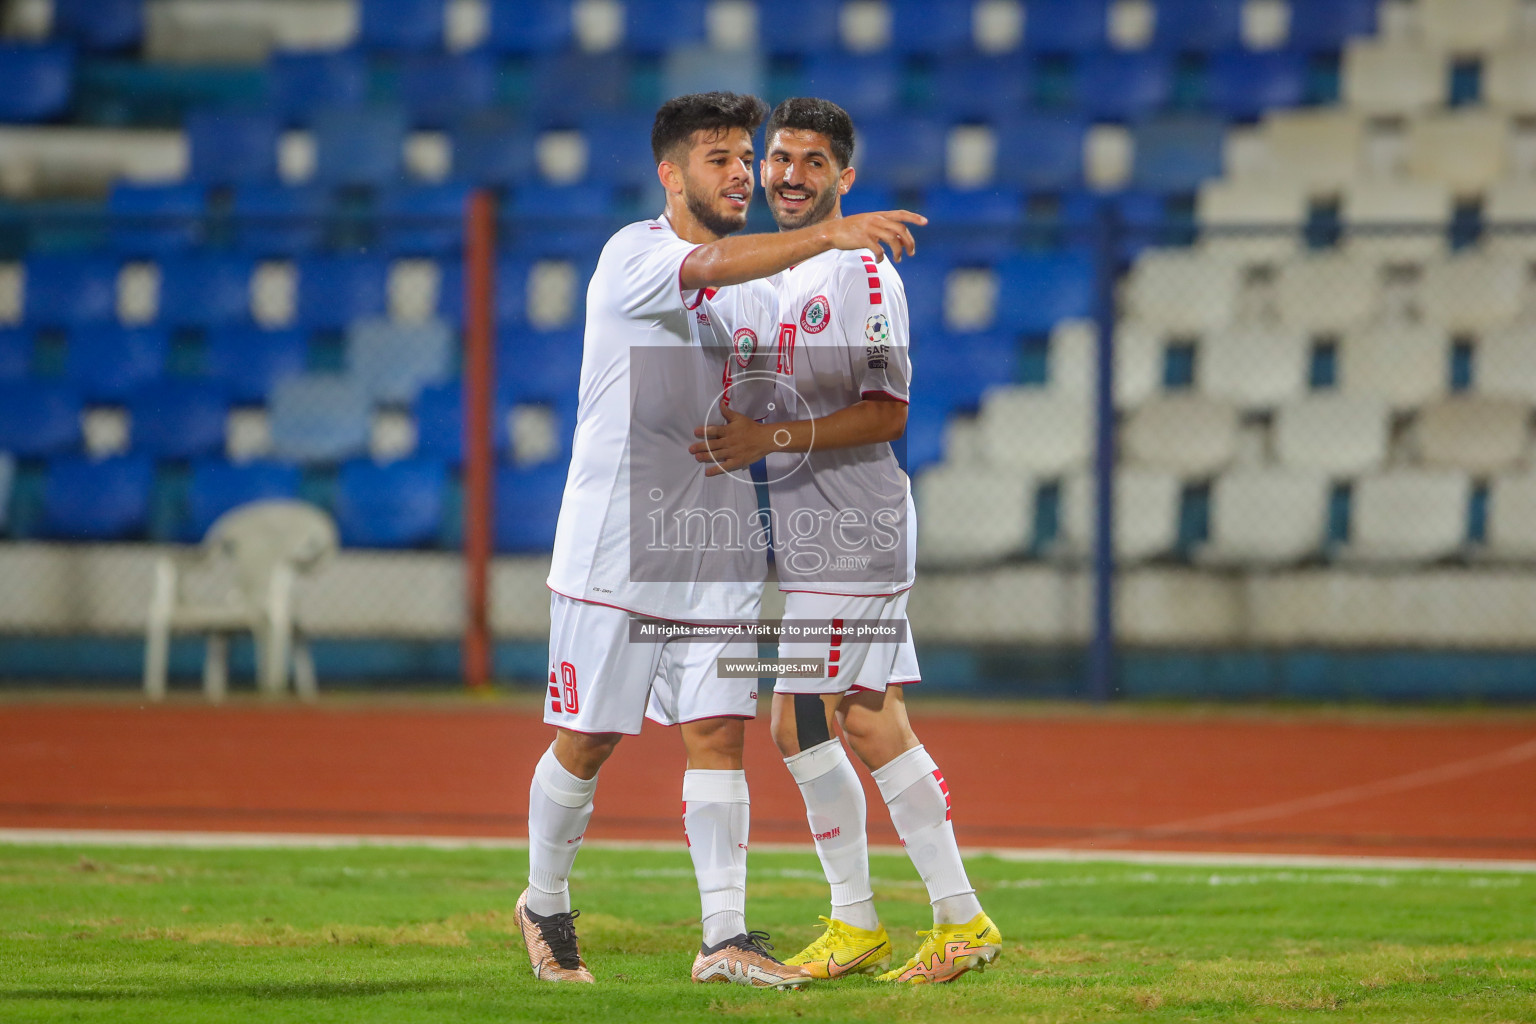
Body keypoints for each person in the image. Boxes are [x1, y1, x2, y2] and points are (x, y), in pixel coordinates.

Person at [518, 91, 927, 989]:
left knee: (718, 734)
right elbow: (711, 265)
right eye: (719, 157)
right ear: (671, 173)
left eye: (747, 156)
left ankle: (725, 936)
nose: (742, 172)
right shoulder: (636, 254)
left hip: (719, 541)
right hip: (617, 545)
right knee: (587, 742)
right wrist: (827, 235)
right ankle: (543, 901)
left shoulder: (767, 286)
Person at [688, 97, 1001, 984]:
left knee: (840, 717)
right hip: (812, 537)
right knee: (821, 720)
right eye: (780, 158)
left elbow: (889, 414)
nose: (789, 176)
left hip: (855, 530)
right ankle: (875, 923)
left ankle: (952, 918)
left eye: (813, 163)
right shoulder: (772, 275)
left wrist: (767, 441)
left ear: (845, 179)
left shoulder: (863, 275)